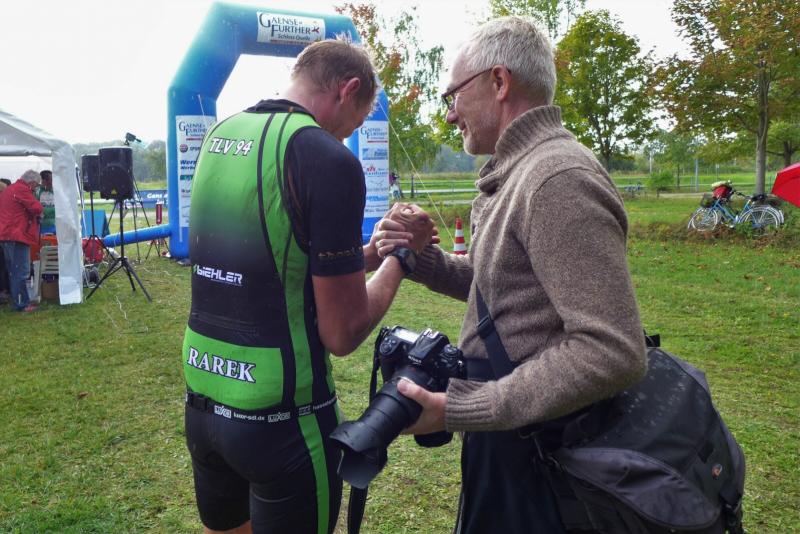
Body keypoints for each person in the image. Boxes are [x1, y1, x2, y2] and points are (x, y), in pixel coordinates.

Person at [372, 17, 646, 533]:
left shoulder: (556, 179)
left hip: (545, 448)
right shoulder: (518, 172)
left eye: (453, 94)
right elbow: (498, 288)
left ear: (499, 82)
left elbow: (612, 349)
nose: (449, 113)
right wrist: (418, 258)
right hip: (519, 432)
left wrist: (467, 407)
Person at [181, 39, 435, 534]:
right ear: (348, 89)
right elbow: (342, 333)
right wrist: (403, 258)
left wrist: (369, 254)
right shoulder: (325, 157)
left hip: (203, 401)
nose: (347, 136)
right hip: (284, 420)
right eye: (354, 124)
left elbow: (272, 262)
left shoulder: (218, 135)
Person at [0, 170, 43, 312]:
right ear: (32, 183)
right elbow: (37, 208)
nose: (36, 189)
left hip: (6, 235)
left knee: (13, 270)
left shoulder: (11, 189)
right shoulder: (22, 190)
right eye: (36, 186)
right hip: (16, 235)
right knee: (21, 271)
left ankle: (18, 300)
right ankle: (21, 304)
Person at [37, 170, 56, 234]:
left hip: (55, 226)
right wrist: (53, 210)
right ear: (43, 181)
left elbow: (61, 209)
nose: (52, 182)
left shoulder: (57, 191)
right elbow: (36, 210)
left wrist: (44, 211)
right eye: (51, 180)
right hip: (41, 227)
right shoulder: (37, 191)